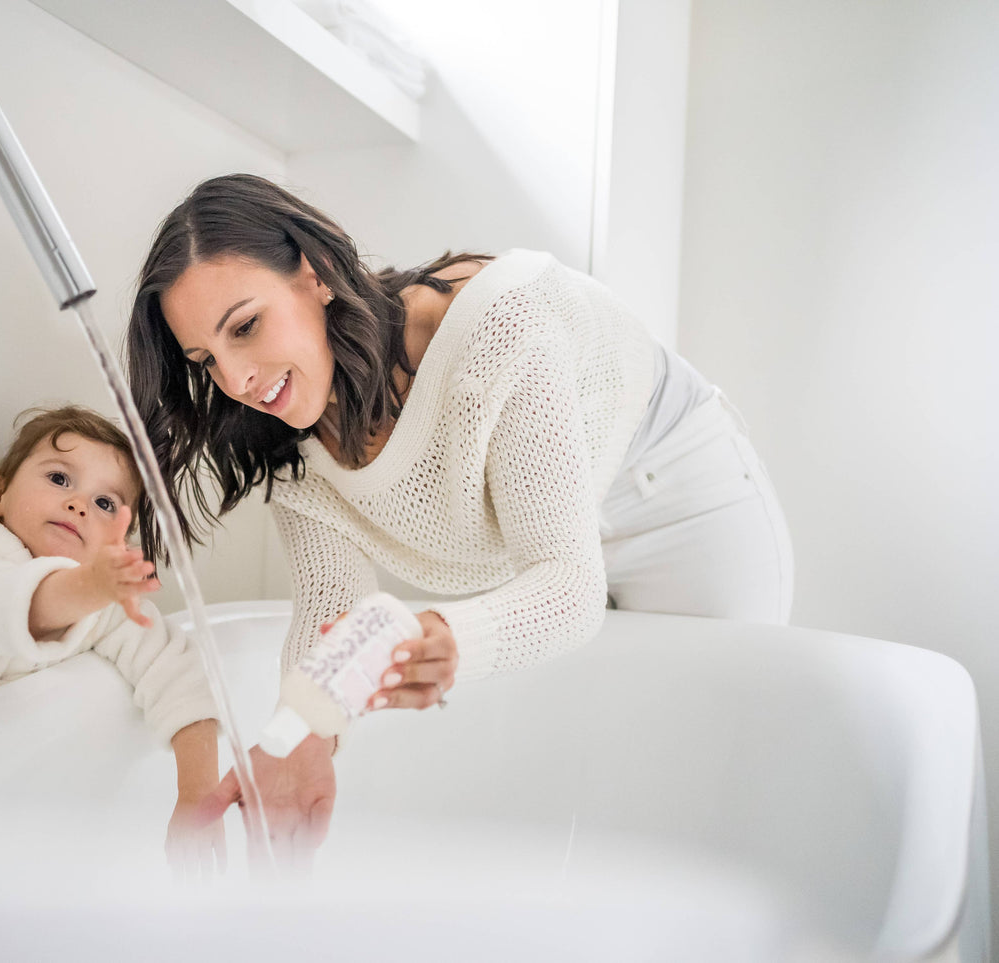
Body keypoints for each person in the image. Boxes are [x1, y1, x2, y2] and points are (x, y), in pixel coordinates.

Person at [124, 173, 794, 866]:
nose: (235, 380)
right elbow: (331, 607)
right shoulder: (290, 433)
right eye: (206, 360)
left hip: (674, 502)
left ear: (314, 274)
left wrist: (447, 634)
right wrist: (295, 740)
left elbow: (566, 584)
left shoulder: (496, 327)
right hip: (543, 550)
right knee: (600, 794)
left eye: (245, 326)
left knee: (719, 778)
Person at [0, 404, 225, 876]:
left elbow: (178, 672)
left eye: (106, 503)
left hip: (14, 827)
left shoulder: (102, 601)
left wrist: (197, 793)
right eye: (60, 479)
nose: (80, 504)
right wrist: (90, 588)